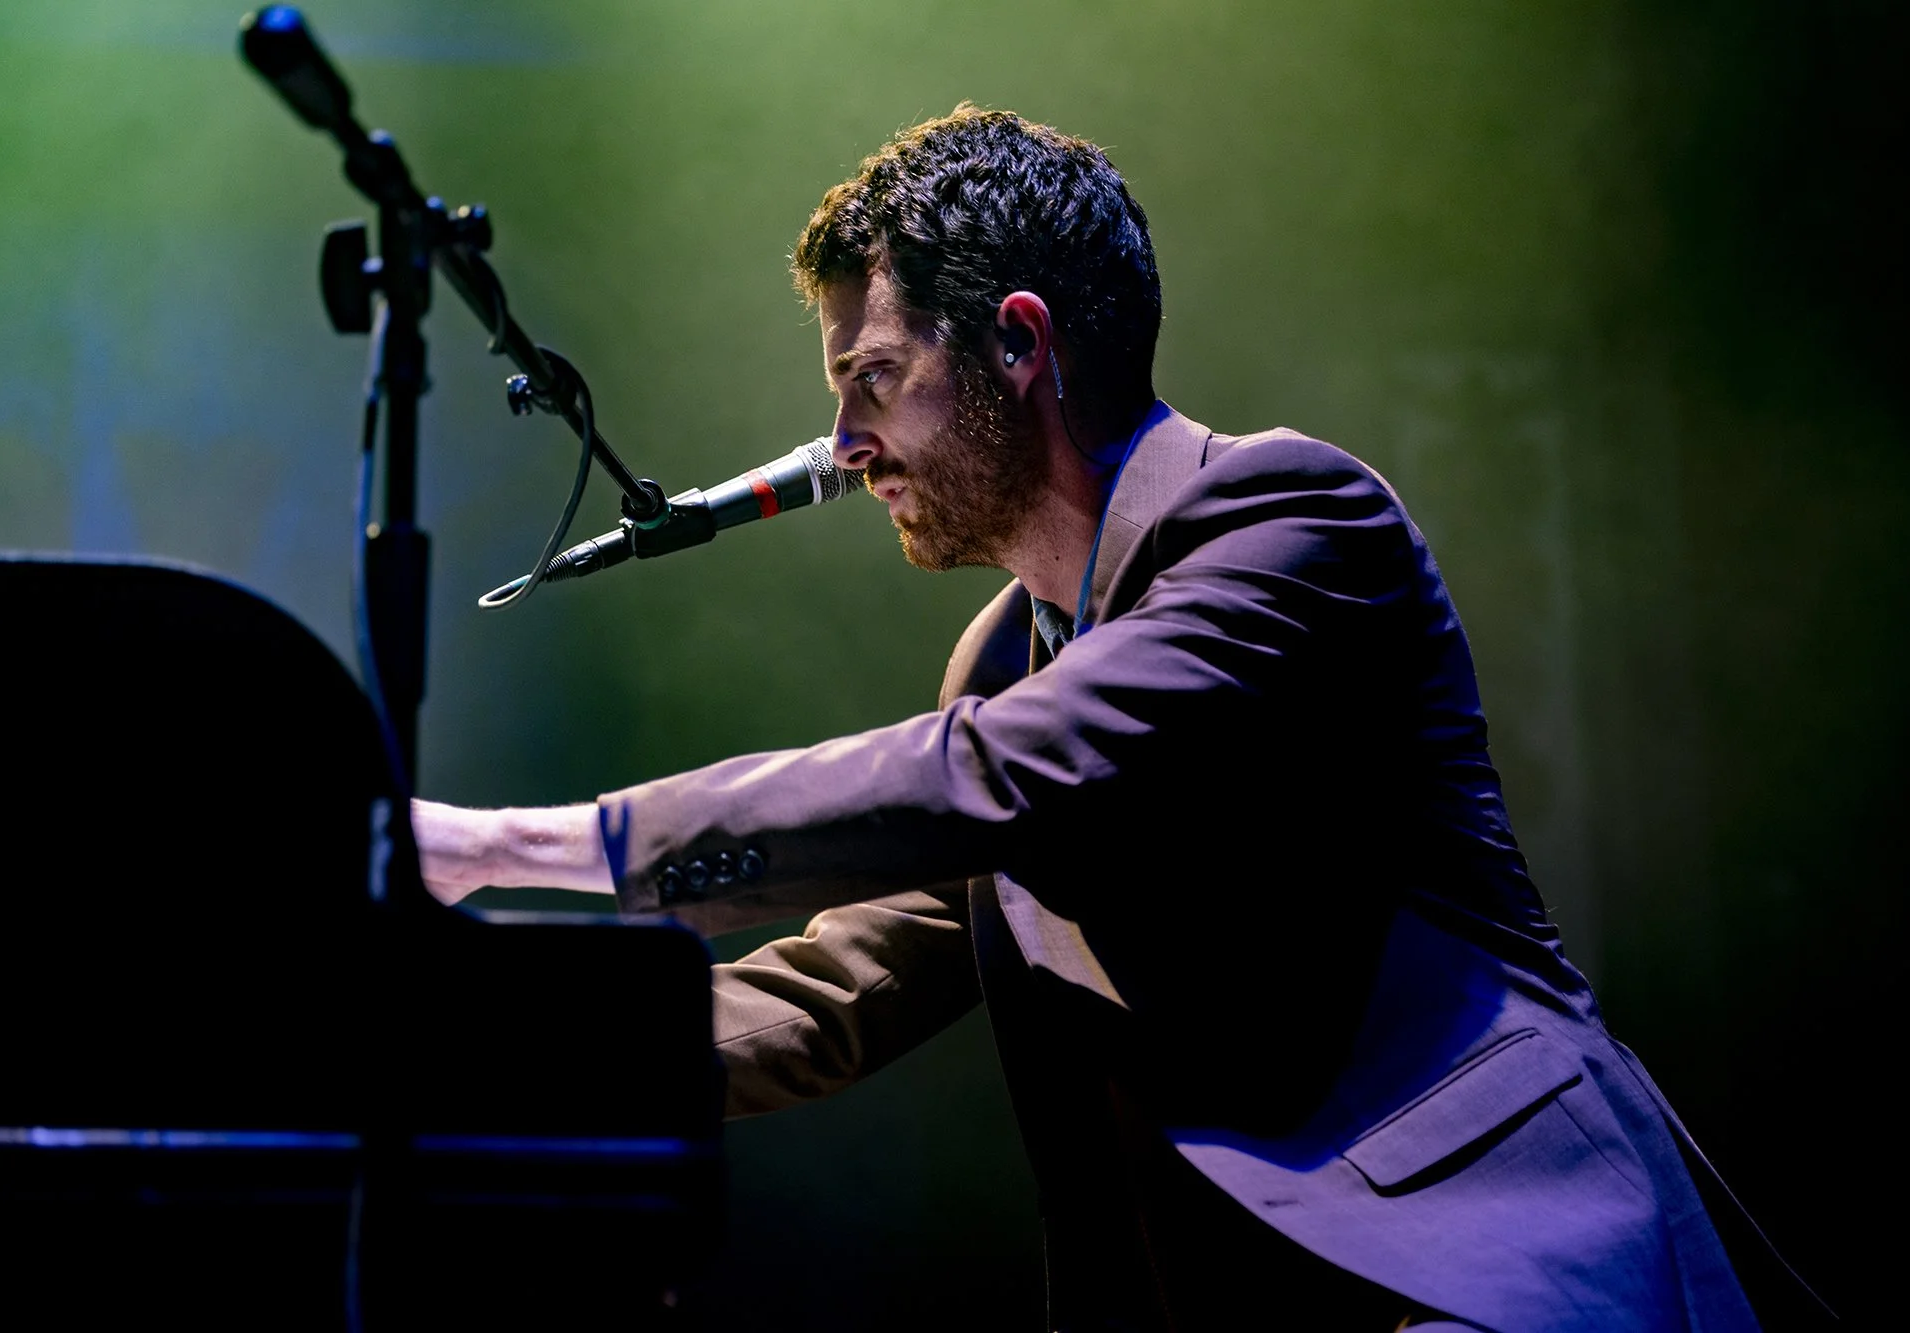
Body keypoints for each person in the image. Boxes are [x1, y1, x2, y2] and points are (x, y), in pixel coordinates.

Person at [414, 106, 1824, 1331]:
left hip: (1508, 1264)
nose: (844, 445)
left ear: (1018, 343)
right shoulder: (1004, 665)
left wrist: (512, 846)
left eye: (873, 379)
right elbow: (835, 991)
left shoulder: (1290, 521)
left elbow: (993, 776)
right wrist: (436, 1048)